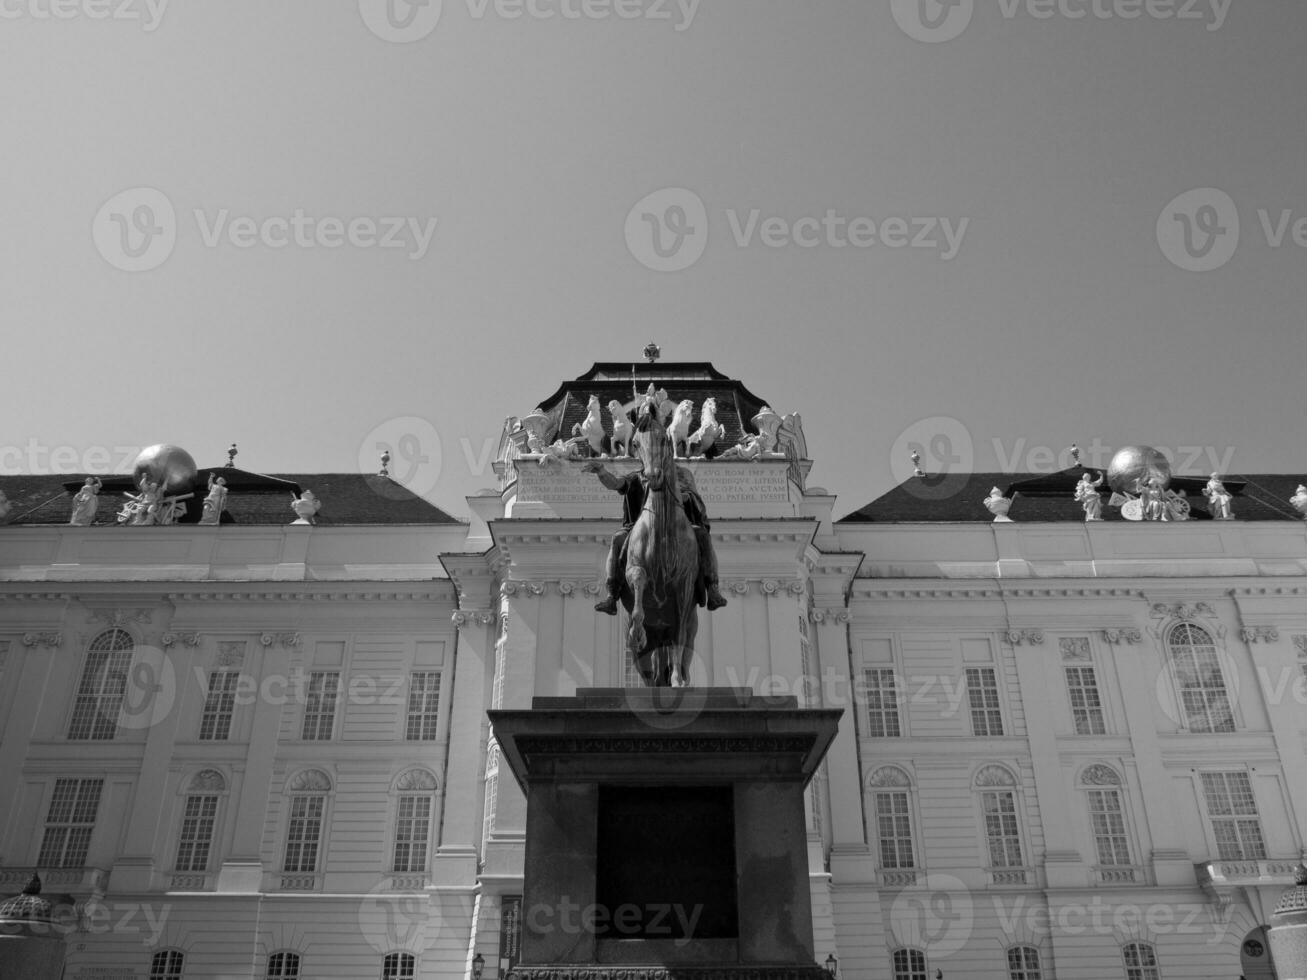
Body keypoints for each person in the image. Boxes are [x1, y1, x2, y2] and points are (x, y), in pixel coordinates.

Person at [583, 458, 727, 615]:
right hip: (641, 526)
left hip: (678, 523)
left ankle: (712, 588)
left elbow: (691, 496)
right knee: (618, 539)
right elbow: (616, 484)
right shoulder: (638, 476)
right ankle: (612, 594)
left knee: (702, 536)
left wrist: (672, 491)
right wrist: (602, 472)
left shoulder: (681, 473)